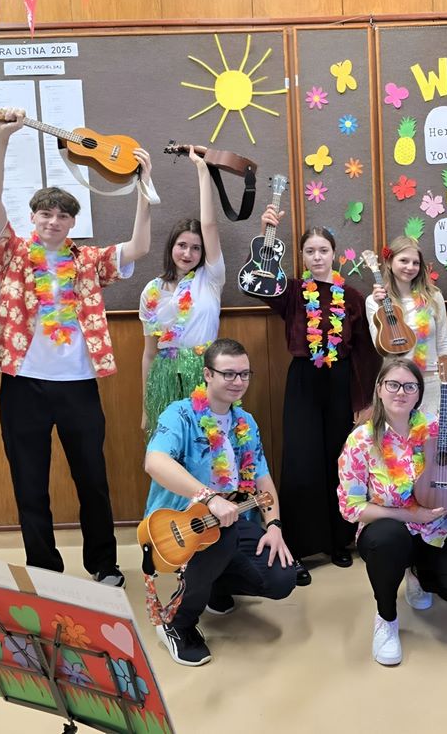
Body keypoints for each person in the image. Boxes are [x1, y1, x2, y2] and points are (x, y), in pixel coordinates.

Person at [0, 107, 152, 586]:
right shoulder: (11, 254)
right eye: (46, 214)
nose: (54, 221)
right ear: (33, 218)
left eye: (62, 215)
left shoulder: (89, 261)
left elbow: (138, 247)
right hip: (23, 386)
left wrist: (143, 188)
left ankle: (104, 564)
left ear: (73, 222)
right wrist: (2, 139)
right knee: (29, 484)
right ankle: (44, 568)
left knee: (92, 479)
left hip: (78, 386)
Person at [246, 204, 380, 585]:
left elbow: (365, 353)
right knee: (302, 463)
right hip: (303, 382)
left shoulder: (351, 296)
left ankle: (339, 541)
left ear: (333, 254)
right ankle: (298, 548)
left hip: (340, 384)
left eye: (323, 250)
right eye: (310, 251)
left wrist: (364, 402)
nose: (317, 257)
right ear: (302, 256)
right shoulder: (290, 292)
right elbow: (257, 282)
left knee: (338, 462)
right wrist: (267, 233)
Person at [143, 338, 296, 666]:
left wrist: (274, 526)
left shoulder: (245, 422)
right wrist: (209, 498)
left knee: (282, 578)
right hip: (178, 525)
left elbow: (263, 479)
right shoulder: (180, 414)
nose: (238, 381)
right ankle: (177, 622)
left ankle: (213, 586)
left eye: (244, 374)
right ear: (207, 374)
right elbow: (154, 462)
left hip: (231, 520)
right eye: (228, 374)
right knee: (221, 535)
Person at [337, 358, 447, 665]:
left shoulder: (433, 428)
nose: (401, 392)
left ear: (418, 393)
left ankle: (416, 572)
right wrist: (410, 516)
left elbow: (441, 483)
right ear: (379, 389)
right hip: (387, 529)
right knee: (388, 540)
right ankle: (386, 618)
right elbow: (351, 507)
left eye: (409, 386)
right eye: (393, 384)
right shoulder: (361, 440)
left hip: (435, 528)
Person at [140, 146, 225, 436]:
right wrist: (145, 406)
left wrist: (202, 170)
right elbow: (149, 354)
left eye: (196, 248)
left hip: (204, 374)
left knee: (206, 445)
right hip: (163, 377)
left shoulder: (210, 279)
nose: (188, 253)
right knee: (169, 447)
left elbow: (209, 225)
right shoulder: (151, 290)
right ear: (171, 247)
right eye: (182, 245)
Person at [365, 236, 447, 420]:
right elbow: (380, 347)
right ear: (389, 262)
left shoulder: (433, 297)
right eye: (403, 260)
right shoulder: (374, 301)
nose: (410, 267)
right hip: (396, 385)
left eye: (415, 263)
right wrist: (381, 308)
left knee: (431, 436)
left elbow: (444, 342)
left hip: (430, 381)